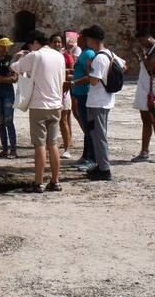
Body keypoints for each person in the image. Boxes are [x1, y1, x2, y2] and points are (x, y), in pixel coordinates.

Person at [11, 30, 66, 193]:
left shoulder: (35, 55)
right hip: (56, 104)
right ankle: (55, 181)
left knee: (40, 145)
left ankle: (38, 182)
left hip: (39, 105)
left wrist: (19, 55)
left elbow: (14, 67)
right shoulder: (59, 56)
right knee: (53, 144)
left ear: (35, 42)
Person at [76, 24, 126, 182]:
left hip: (98, 102)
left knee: (99, 136)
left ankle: (104, 170)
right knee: (96, 134)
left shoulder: (99, 58)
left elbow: (93, 81)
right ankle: (101, 165)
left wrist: (91, 68)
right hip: (105, 101)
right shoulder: (110, 54)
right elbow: (124, 66)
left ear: (91, 40)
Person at [132, 28, 155, 163]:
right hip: (144, 88)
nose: (141, 44)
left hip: (154, 89)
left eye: (141, 40)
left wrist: (142, 54)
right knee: (145, 120)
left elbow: (150, 67)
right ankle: (144, 151)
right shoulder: (149, 50)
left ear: (147, 37)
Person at [69, 32, 97, 171]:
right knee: (85, 126)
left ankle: (91, 157)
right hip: (80, 94)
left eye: (79, 38)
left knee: (88, 126)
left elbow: (90, 75)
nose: (77, 40)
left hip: (85, 94)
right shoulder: (85, 53)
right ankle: (86, 155)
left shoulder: (88, 54)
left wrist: (73, 83)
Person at [50, 33, 75, 160]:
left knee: (63, 120)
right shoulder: (47, 57)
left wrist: (64, 73)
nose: (57, 44)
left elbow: (72, 72)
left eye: (59, 42)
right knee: (51, 122)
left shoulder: (66, 56)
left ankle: (67, 148)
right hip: (51, 92)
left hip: (64, 91)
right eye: (55, 42)